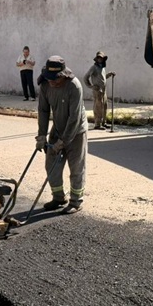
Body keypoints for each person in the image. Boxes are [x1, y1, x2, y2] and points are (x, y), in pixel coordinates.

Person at [35, 56, 88, 214]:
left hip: (76, 132)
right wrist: (42, 136)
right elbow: (43, 111)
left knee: (76, 167)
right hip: (57, 129)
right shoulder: (45, 85)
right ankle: (58, 197)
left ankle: (76, 201)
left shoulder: (74, 86)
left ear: (63, 75)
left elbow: (74, 118)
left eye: (55, 79)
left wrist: (63, 141)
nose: (52, 82)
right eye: (49, 78)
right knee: (51, 165)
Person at [83, 50, 115, 130]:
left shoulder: (102, 68)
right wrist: (91, 86)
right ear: (96, 59)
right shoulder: (94, 68)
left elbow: (103, 78)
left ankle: (104, 122)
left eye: (101, 58)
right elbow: (85, 78)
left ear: (103, 59)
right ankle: (97, 124)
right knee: (98, 107)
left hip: (103, 90)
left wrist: (109, 74)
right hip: (97, 91)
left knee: (104, 106)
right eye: (98, 58)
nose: (100, 59)